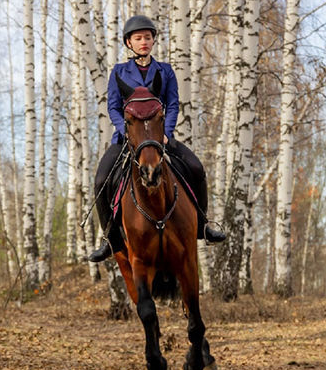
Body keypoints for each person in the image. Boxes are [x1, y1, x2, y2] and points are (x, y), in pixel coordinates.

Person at [88, 14, 226, 263]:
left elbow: (173, 104)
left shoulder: (166, 71)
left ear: (153, 41)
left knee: (196, 167)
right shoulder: (119, 72)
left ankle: (203, 225)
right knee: (100, 181)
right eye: (138, 38)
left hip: (159, 137)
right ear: (129, 42)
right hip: (127, 139)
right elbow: (113, 108)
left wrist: (166, 134)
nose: (143, 42)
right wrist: (126, 131)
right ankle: (111, 239)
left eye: (147, 37)